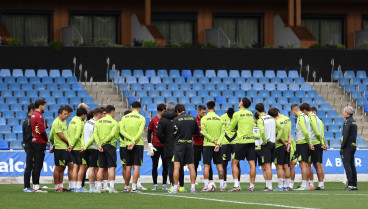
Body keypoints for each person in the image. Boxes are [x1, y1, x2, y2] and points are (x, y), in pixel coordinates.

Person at [168, 104, 199, 194]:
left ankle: (175, 187)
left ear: (177, 111)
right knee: (192, 167)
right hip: (189, 143)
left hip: (179, 144)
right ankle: (193, 188)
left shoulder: (176, 119)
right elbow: (196, 132)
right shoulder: (193, 118)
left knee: (176, 166)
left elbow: (173, 134)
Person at [157, 101, 185, 191]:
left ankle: (173, 185)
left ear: (166, 108)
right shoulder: (178, 118)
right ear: (174, 109)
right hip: (179, 144)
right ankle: (181, 186)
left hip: (168, 145)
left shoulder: (163, 119)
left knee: (170, 166)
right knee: (179, 165)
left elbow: (158, 133)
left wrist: (164, 141)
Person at [229, 97, 255, 192]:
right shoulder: (250, 113)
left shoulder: (237, 114)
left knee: (234, 163)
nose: (239, 102)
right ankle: (251, 186)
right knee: (252, 164)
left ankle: (237, 185)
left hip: (241, 141)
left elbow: (231, 128)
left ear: (242, 103)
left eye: (240, 101)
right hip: (251, 141)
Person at [120, 101, 146, 193]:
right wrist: (133, 140)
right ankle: (134, 188)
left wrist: (130, 140)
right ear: (139, 108)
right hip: (137, 144)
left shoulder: (124, 117)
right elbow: (140, 131)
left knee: (128, 166)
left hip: (127, 144)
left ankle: (126, 187)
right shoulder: (141, 118)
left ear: (131, 108)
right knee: (136, 166)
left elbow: (122, 131)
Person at [200, 101, 225, 192]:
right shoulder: (220, 119)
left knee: (206, 166)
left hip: (208, 145)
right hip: (218, 145)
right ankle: (222, 187)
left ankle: (206, 187)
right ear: (214, 108)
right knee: (219, 166)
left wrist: (212, 140)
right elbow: (223, 133)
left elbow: (204, 133)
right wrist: (218, 143)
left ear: (207, 108)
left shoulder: (204, 118)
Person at [93, 105, 118, 193]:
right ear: (112, 112)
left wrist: (99, 144)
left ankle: (99, 188)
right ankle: (111, 188)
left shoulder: (98, 122)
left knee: (101, 167)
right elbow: (112, 135)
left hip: (100, 146)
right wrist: (104, 142)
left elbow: (95, 134)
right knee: (111, 167)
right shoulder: (114, 122)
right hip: (110, 145)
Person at [300, 103, 324, 190]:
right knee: (316, 164)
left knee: (316, 164)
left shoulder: (311, 117)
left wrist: (319, 140)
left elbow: (316, 132)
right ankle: (317, 184)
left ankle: (320, 185)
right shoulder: (315, 117)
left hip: (314, 142)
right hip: (316, 142)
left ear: (305, 110)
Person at [290, 103, 314, 191]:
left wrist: (309, 142)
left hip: (301, 143)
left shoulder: (300, 117)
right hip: (305, 143)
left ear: (294, 110)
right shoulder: (306, 116)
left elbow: (305, 131)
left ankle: (304, 185)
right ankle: (306, 184)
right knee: (306, 164)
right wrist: (309, 142)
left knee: (302, 164)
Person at [268, 107, 291, 191]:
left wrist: (283, 143)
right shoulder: (284, 121)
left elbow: (278, 135)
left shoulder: (275, 123)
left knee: (279, 167)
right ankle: (287, 186)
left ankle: (280, 186)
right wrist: (288, 144)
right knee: (286, 166)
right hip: (287, 145)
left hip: (279, 146)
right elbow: (289, 134)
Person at [147, 104, 169, 191]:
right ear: (160, 111)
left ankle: (164, 184)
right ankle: (155, 184)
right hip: (155, 146)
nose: (165, 112)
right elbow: (149, 133)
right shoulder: (153, 120)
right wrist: (149, 144)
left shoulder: (166, 120)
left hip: (165, 146)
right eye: (164, 111)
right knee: (154, 166)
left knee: (165, 166)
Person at [49, 107, 71, 192]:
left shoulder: (64, 121)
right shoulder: (56, 122)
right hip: (59, 148)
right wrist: (54, 145)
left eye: (66, 114)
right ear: (59, 114)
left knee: (63, 167)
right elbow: (60, 136)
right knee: (58, 167)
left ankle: (61, 186)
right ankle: (56, 186)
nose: (66, 116)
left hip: (64, 147)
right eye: (64, 114)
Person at [255, 103, 276, 191]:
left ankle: (269, 186)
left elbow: (262, 132)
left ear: (256, 110)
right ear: (264, 108)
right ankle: (269, 185)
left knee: (267, 166)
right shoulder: (272, 118)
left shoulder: (261, 120)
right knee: (270, 166)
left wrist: (264, 140)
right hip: (273, 143)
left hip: (266, 144)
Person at [84, 108, 104, 193]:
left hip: (87, 147)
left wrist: (85, 146)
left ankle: (93, 187)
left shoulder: (87, 122)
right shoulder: (96, 123)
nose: (102, 116)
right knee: (93, 167)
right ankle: (93, 188)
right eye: (101, 114)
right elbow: (94, 137)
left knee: (91, 167)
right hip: (93, 147)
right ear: (98, 114)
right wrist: (99, 143)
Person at [67, 107, 88, 192]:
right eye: (85, 116)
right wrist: (72, 145)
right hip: (78, 147)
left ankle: (75, 186)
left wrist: (70, 144)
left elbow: (68, 134)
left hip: (72, 147)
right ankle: (79, 186)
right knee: (82, 167)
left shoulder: (72, 120)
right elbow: (77, 135)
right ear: (83, 115)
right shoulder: (80, 122)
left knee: (75, 166)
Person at [193, 105, 213, 183]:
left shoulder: (208, 119)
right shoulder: (194, 120)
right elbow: (192, 133)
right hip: (196, 144)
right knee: (195, 164)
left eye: (205, 112)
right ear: (198, 111)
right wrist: (200, 133)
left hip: (206, 145)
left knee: (208, 163)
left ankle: (210, 182)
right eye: (203, 112)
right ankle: (193, 182)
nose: (204, 114)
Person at [220, 108, 239, 189]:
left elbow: (238, 129)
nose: (230, 116)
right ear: (227, 113)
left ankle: (238, 183)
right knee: (224, 164)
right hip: (225, 143)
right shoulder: (222, 117)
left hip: (235, 143)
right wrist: (227, 138)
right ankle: (224, 183)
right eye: (229, 115)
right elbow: (221, 130)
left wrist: (232, 138)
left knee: (237, 164)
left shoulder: (236, 117)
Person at [341, 106, 358, 190]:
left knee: (347, 165)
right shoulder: (354, 121)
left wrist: (342, 146)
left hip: (347, 146)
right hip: (353, 145)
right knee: (352, 165)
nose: (343, 113)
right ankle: (354, 184)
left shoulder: (347, 122)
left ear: (347, 113)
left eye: (344, 112)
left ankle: (350, 185)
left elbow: (345, 135)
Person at [311, 106, 327, 190]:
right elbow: (322, 134)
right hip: (320, 143)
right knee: (320, 164)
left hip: (316, 143)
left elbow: (319, 134)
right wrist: (323, 143)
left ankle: (317, 184)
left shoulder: (314, 120)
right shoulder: (320, 121)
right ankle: (322, 183)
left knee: (316, 164)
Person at [116, 110, 132, 192]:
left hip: (123, 146)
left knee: (125, 166)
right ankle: (129, 184)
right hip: (131, 145)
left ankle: (126, 185)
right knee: (131, 166)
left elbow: (116, 134)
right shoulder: (130, 123)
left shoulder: (119, 123)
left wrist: (121, 140)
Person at [22, 103, 35, 192]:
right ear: (31, 110)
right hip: (30, 146)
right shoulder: (28, 121)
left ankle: (34, 185)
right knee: (29, 166)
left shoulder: (29, 120)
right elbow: (28, 137)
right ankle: (26, 187)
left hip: (31, 145)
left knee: (32, 166)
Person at [61, 105, 74, 190]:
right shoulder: (58, 122)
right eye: (69, 114)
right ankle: (59, 185)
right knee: (61, 167)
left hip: (67, 146)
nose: (68, 115)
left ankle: (71, 185)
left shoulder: (65, 122)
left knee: (71, 165)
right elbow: (59, 135)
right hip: (62, 147)